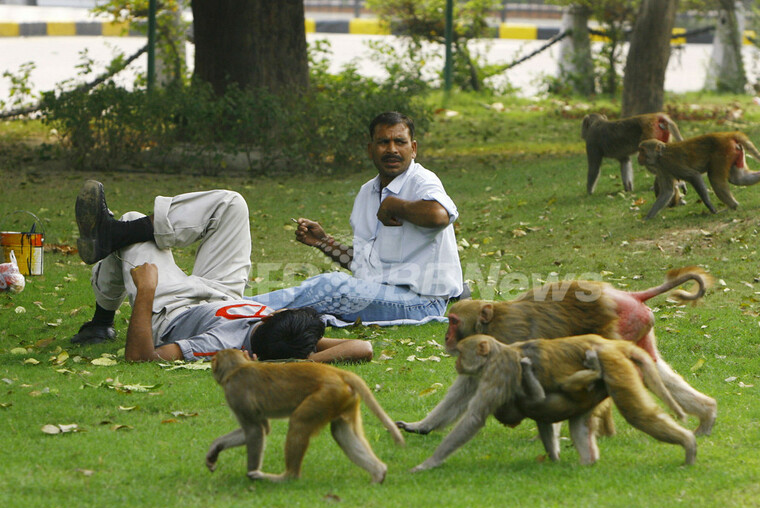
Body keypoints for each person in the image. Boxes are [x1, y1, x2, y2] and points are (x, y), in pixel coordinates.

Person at [70, 180, 372, 363]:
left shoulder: (221, 346)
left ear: (270, 317)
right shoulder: (289, 339)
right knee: (231, 204)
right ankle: (113, 234)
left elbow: (141, 358)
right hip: (222, 294)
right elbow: (363, 347)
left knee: (132, 222)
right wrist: (304, 362)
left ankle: (101, 321)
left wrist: (147, 292)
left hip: (172, 309)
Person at [248, 111, 465, 322]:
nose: (392, 149)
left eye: (400, 142)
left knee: (331, 287)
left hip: (422, 303)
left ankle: (239, 308)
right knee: (323, 291)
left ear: (413, 148)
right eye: (383, 142)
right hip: (381, 295)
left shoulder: (422, 181)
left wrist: (393, 204)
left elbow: (439, 215)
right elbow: (364, 265)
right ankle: (244, 309)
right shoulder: (366, 193)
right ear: (371, 150)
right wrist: (324, 243)